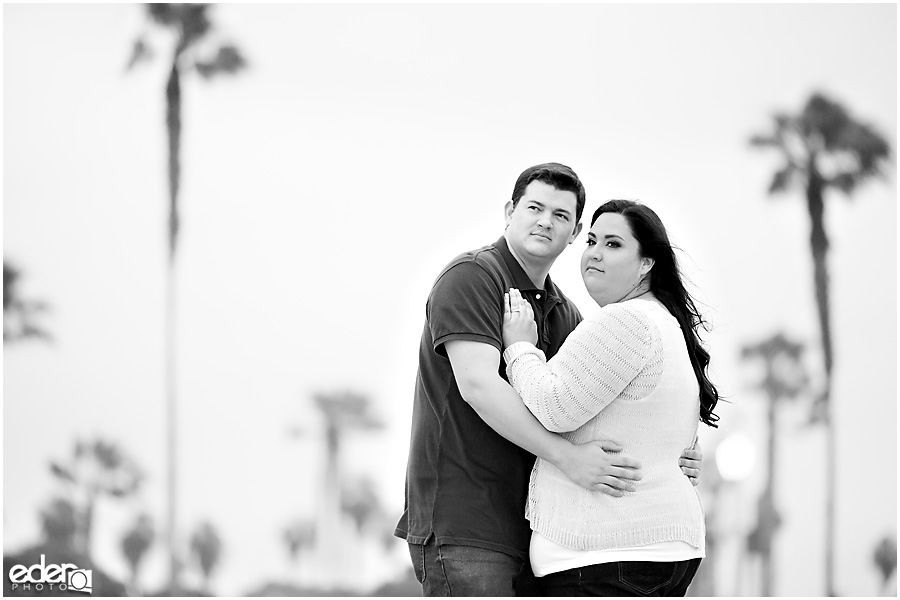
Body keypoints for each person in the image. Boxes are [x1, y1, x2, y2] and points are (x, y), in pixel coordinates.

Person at [394, 164, 702, 597]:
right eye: (535, 207)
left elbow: (600, 402)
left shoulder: (566, 312)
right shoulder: (472, 278)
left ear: (574, 231)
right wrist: (566, 457)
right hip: (466, 523)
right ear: (509, 211)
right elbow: (478, 386)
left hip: (532, 525)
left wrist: (672, 451)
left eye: (561, 215)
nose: (545, 221)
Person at [501, 198, 721, 596]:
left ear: (647, 264)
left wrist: (520, 349)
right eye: (591, 241)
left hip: (606, 556)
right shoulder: (664, 323)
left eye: (614, 244)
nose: (595, 254)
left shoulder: (625, 320)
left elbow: (554, 408)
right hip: (648, 550)